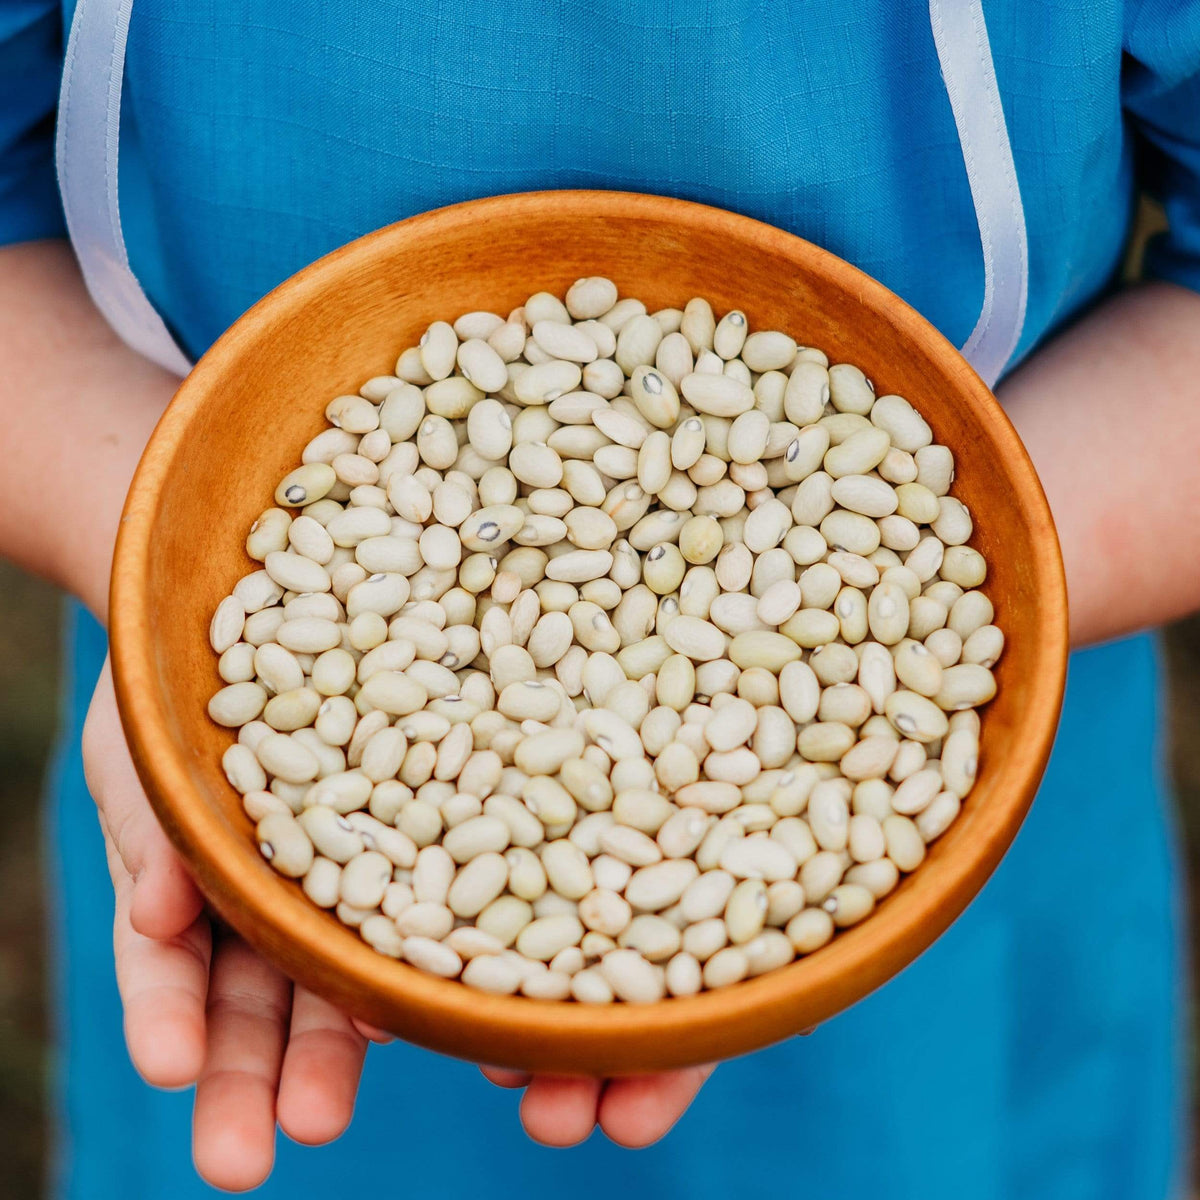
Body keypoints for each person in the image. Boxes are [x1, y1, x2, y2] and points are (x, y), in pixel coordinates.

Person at [2, 0, 1198, 1195]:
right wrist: (171, 552)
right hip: (245, 853)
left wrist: (978, 573)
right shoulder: (312, 701)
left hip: (979, 774)